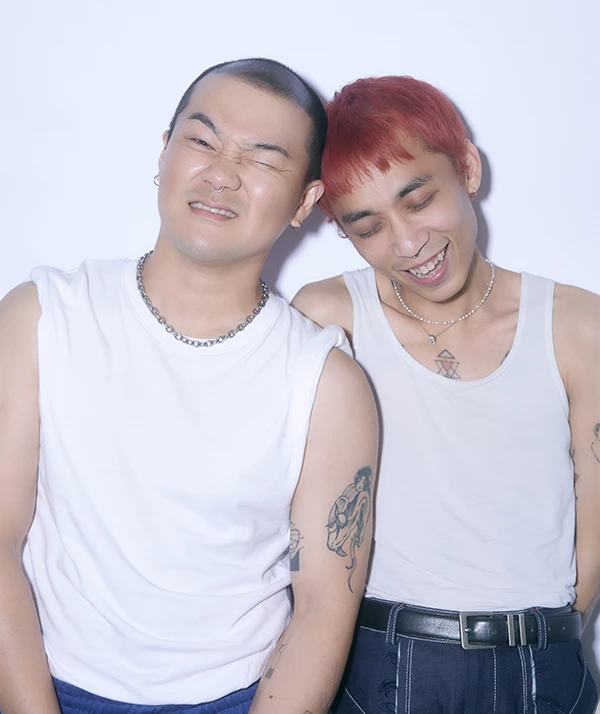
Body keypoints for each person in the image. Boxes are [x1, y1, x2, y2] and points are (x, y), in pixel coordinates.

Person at [0, 58, 378, 714]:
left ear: (305, 202)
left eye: (262, 159)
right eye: (202, 140)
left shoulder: (327, 383)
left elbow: (323, 606)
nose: (222, 173)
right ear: (164, 152)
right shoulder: (43, 316)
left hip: (236, 698)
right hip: (45, 685)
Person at [293, 74, 600, 713]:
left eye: (419, 199)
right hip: (383, 661)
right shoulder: (331, 317)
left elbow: (596, 513)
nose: (408, 244)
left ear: (468, 168)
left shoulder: (576, 324)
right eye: (368, 226)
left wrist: (547, 636)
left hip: (541, 662)